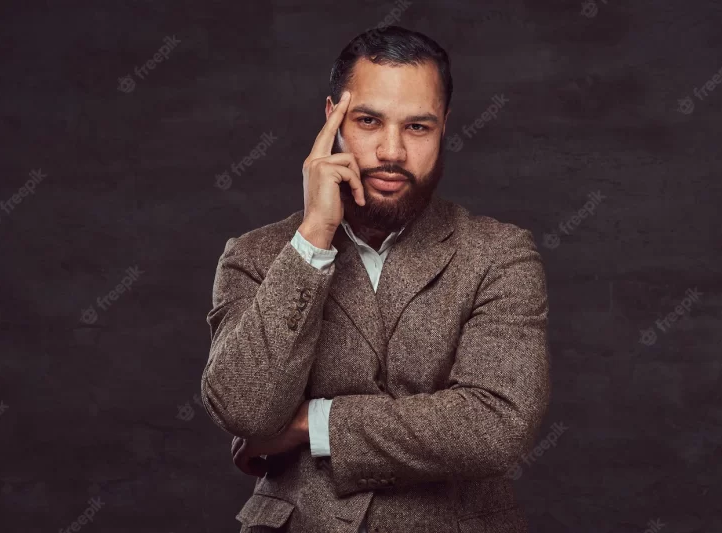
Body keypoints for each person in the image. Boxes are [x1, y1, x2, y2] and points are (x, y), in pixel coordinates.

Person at [200, 25, 550, 533]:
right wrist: (314, 234)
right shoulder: (256, 254)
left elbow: (496, 425)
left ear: (445, 126)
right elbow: (245, 410)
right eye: (368, 121)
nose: (391, 151)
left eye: (417, 127)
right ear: (332, 120)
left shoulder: (499, 253)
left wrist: (307, 424)